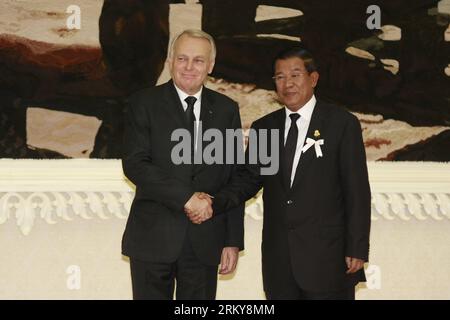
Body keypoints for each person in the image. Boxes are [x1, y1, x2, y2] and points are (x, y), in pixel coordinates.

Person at [188, 47, 371, 300]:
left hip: (329, 258)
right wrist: (213, 202)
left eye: (295, 75)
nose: (288, 83)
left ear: (313, 78)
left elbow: (357, 191)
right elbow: (247, 180)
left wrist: (357, 247)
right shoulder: (266, 128)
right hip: (280, 263)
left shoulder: (341, 124)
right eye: (280, 77)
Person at [121, 29, 244, 300]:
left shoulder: (227, 110)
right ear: (170, 62)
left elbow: (234, 175)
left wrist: (232, 241)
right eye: (182, 59)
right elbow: (135, 163)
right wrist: (187, 199)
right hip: (153, 239)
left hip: (206, 241)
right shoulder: (143, 103)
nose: (189, 67)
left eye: (198, 60)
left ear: (210, 65)